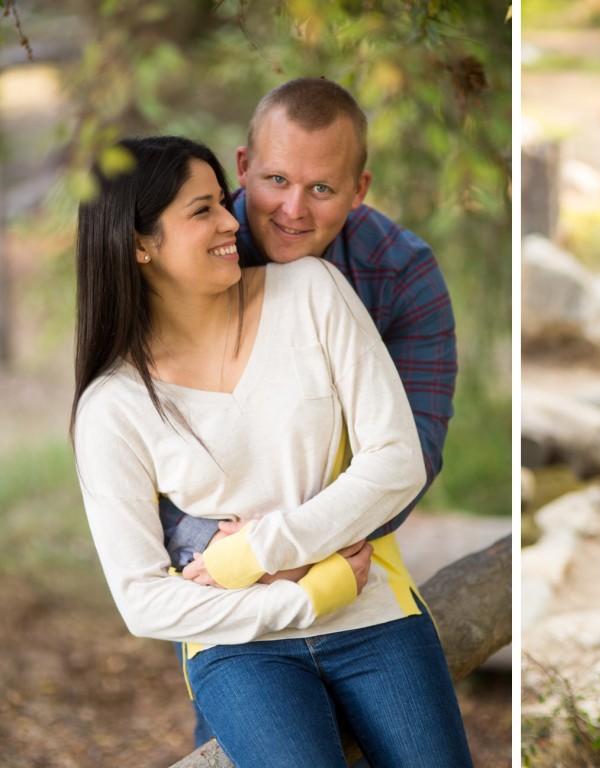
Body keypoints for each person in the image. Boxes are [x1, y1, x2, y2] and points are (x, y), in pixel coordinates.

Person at [71, 135, 474, 767]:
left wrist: (257, 552)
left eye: (221, 203)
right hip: (238, 647)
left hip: (372, 615)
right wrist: (307, 595)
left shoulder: (314, 292)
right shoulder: (112, 407)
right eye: (202, 210)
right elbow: (142, 599)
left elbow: (397, 462)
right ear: (139, 243)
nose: (234, 220)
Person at [156, 78, 459, 746]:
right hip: (230, 597)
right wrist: (244, 564)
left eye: (321, 189)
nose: (293, 209)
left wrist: (286, 551)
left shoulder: (399, 274)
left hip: (353, 575)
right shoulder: (181, 258)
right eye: (274, 180)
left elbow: (413, 455)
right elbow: (149, 453)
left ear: (359, 188)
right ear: (242, 167)